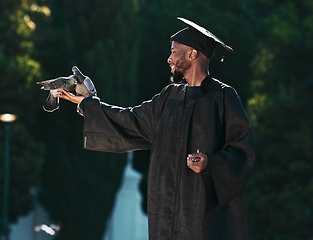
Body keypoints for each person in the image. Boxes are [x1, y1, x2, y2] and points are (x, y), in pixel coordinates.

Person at [58, 17, 255, 240]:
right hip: (165, 210)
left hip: (200, 211)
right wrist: (88, 104)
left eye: (174, 51)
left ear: (192, 54)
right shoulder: (169, 97)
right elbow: (132, 120)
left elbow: (242, 151)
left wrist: (211, 162)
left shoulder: (223, 97)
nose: (169, 58)